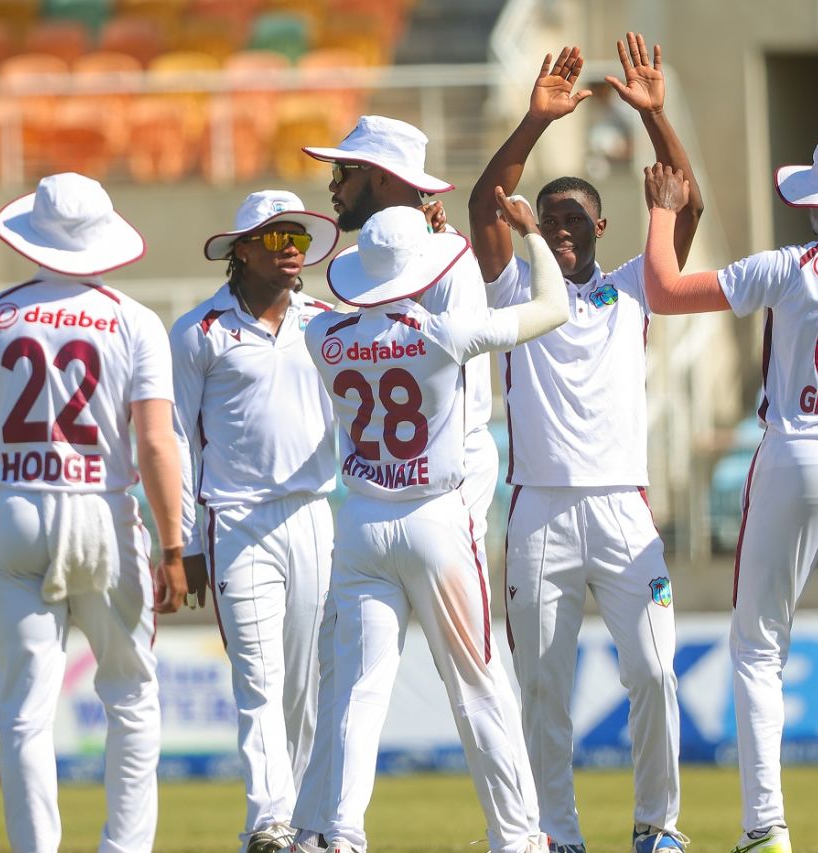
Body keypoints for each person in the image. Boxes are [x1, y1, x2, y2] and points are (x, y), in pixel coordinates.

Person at [639, 139, 818, 853]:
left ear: (815, 202)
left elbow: (664, 291)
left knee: (759, 647)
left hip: (798, 451)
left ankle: (765, 826)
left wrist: (658, 214)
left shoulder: (791, 267)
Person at [465, 36, 703, 853]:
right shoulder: (515, 286)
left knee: (656, 674)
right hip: (538, 515)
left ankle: (657, 828)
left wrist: (657, 118)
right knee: (543, 690)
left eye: (575, 217)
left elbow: (689, 203)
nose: (561, 228)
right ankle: (556, 836)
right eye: (550, 216)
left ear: (602, 225)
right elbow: (484, 203)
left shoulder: (635, 285)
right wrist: (534, 122)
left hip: (623, 508)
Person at [299, 192, 569, 853]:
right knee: (476, 683)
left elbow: (340, 317)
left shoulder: (322, 337)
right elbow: (553, 308)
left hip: (361, 522)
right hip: (434, 519)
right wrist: (531, 236)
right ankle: (516, 836)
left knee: (360, 693)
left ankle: (342, 833)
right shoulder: (447, 331)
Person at [0, 172, 187, 853]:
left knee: (24, 717)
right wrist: (172, 545)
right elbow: (153, 442)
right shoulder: (134, 320)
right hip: (103, 513)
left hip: (15, 505)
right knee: (132, 701)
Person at [290, 116, 504, 851]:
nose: (334, 186)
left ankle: (513, 833)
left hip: (438, 483)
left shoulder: (440, 262)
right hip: (407, 488)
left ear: (384, 179)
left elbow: (460, 394)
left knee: (455, 677)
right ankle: (323, 826)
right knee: (358, 675)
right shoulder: (409, 258)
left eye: (345, 172)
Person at [169, 190, 340, 853]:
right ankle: (267, 818)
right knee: (260, 677)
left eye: (295, 234)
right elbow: (177, 439)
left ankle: (298, 824)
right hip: (236, 520)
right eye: (274, 237)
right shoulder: (199, 330)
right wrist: (183, 541)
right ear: (241, 250)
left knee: (304, 682)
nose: (291, 246)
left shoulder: (325, 320)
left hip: (314, 513)